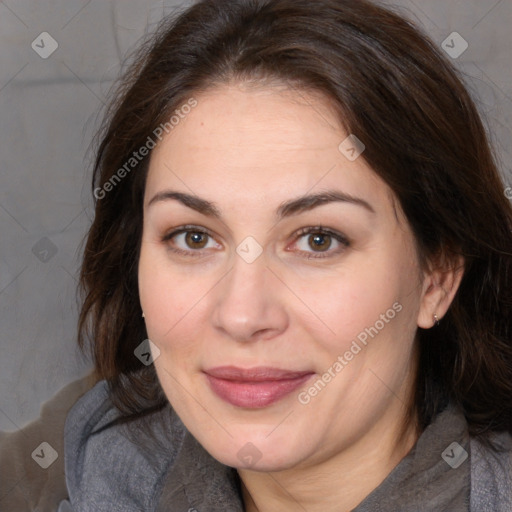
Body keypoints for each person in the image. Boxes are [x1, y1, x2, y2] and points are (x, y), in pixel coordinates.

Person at [60, 0, 512, 510]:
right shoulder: (89, 458)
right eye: (193, 237)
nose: (242, 315)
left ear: (437, 277)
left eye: (319, 239)